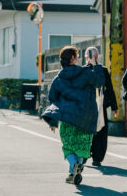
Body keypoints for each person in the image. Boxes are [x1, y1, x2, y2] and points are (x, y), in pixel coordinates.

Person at [41, 45, 105, 185]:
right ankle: (74, 172)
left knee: (68, 146)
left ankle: (74, 166)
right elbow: (100, 82)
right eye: (76, 56)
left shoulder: (58, 78)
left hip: (67, 118)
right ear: (73, 59)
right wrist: (96, 65)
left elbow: (52, 99)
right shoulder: (86, 73)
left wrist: (52, 122)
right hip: (85, 118)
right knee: (82, 147)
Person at [85, 46, 118, 166]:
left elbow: (109, 88)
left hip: (99, 106)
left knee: (101, 131)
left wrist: (114, 106)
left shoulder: (103, 70)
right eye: (92, 56)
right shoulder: (84, 70)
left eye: (95, 55)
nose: (94, 58)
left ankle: (97, 157)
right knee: (89, 131)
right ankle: (87, 154)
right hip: (89, 106)